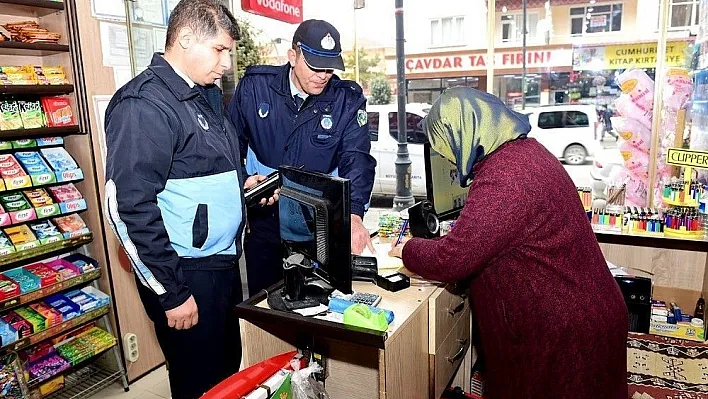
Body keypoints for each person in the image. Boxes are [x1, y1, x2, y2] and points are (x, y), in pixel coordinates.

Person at [389, 87, 628, 399]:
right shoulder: (525, 152)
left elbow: (452, 259)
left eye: (446, 147)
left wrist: (406, 249)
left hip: (568, 330)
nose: (448, 157)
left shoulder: (505, 178)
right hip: (583, 311)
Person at [103, 1, 259, 398]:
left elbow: (198, 171)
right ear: (186, 39)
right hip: (185, 273)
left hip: (220, 265)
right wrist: (172, 293)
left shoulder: (202, 94)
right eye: (220, 50)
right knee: (199, 383)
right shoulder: (143, 104)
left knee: (226, 375)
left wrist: (241, 188)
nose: (226, 63)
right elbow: (127, 207)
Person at [229, 19, 376, 296]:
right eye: (314, 66)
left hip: (316, 226)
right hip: (264, 220)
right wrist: (243, 184)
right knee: (264, 305)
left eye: (329, 68)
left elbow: (356, 160)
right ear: (292, 56)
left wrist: (354, 216)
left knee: (317, 307)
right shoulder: (255, 88)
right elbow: (228, 148)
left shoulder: (347, 100)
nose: (323, 75)